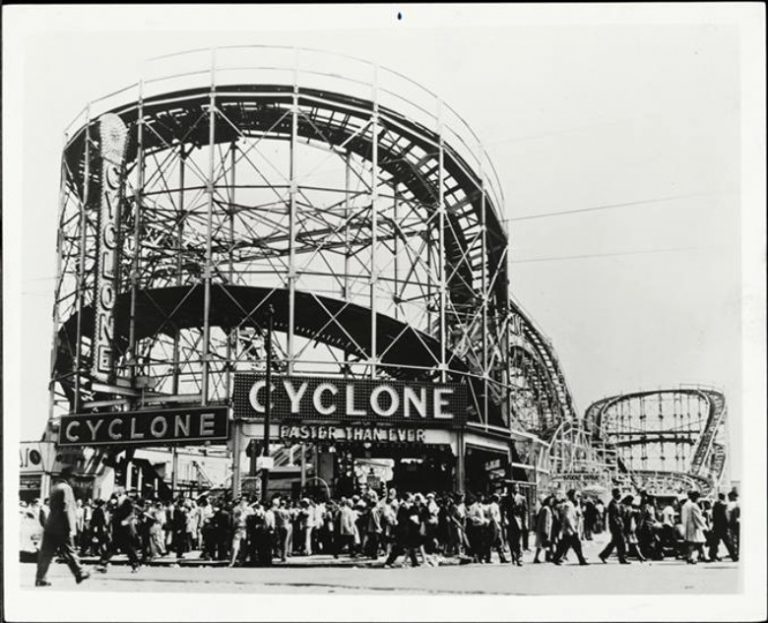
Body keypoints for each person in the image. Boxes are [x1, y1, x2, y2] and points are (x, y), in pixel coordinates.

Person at [34, 467, 90, 587]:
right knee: (69, 550)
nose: (74, 481)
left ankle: (40, 578)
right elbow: (66, 508)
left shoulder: (54, 487)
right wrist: (70, 526)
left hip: (50, 525)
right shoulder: (66, 488)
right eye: (74, 478)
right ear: (69, 478)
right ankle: (79, 572)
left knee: (46, 553)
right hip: (61, 526)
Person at [97, 486, 142, 573]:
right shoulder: (115, 501)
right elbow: (109, 510)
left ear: (121, 492)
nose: (115, 494)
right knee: (112, 548)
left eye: (117, 492)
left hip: (125, 529)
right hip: (117, 528)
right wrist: (111, 505)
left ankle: (136, 564)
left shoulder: (128, 501)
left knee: (128, 548)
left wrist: (126, 521)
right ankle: (102, 565)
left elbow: (132, 513)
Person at [552, 489, 589, 566]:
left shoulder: (573, 504)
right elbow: (568, 517)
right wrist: (573, 528)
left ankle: (556, 558)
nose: (577, 497)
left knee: (564, 545)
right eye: (576, 496)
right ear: (572, 496)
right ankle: (581, 560)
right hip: (569, 529)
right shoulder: (568, 505)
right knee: (576, 544)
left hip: (570, 529)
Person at [383, 492, 420, 568]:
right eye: (410, 497)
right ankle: (388, 562)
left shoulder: (407, 506)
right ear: (408, 498)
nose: (412, 498)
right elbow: (402, 519)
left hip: (406, 529)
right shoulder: (403, 506)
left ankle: (415, 563)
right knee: (399, 547)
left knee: (410, 546)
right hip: (402, 530)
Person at [599, 488, 629, 564]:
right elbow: (613, 517)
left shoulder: (618, 504)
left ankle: (603, 555)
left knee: (614, 542)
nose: (619, 495)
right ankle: (622, 558)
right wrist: (618, 524)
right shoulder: (612, 504)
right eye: (618, 494)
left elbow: (621, 515)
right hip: (616, 526)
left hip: (619, 525)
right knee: (621, 542)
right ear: (614, 495)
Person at [502, 484, 527, 566]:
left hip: (519, 522)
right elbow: (503, 510)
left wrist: (525, 522)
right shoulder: (506, 498)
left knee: (518, 541)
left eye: (517, 488)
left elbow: (525, 512)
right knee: (511, 540)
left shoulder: (522, 498)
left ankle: (520, 558)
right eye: (515, 488)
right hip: (510, 522)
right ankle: (514, 557)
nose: (517, 489)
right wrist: (504, 519)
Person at [681, 490, 708, 564]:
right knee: (693, 543)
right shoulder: (694, 506)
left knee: (699, 542)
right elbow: (698, 517)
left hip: (690, 525)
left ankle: (704, 556)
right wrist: (704, 525)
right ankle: (691, 557)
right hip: (695, 526)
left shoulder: (687, 505)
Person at [228, 497, 252, 567]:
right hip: (238, 529)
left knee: (243, 546)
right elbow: (233, 519)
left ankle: (241, 561)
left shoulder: (249, 509)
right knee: (235, 546)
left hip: (245, 529)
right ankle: (232, 561)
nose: (243, 502)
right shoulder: (236, 509)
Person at [533, 495, 554, 563]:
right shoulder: (546, 509)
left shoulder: (545, 508)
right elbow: (545, 521)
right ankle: (544, 557)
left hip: (544, 528)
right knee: (543, 543)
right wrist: (545, 530)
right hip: (544, 529)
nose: (552, 502)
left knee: (542, 544)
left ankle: (544, 557)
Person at [726, 489, 740, 561]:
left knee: (732, 539)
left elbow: (728, 515)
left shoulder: (731, 504)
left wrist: (728, 523)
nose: (728, 498)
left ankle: (735, 552)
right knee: (738, 539)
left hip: (732, 524)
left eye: (729, 497)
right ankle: (738, 552)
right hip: (738, 523)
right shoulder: (739, 503)